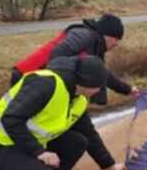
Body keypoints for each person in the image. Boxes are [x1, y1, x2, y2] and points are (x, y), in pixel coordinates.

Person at [11, 14, 139, 105]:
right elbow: (57, 56)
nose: (116, 44)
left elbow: (102, 74)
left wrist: (127, 89)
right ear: (107, 35)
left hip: (42, 82)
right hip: (27, 77)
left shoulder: (96, 47)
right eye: (116, 39)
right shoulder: (83, 35)